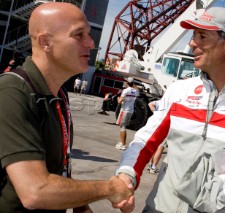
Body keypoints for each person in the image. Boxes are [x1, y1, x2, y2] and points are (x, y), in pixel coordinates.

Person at [113, 6, 225, 213]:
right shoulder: (179, 91)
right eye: (193, 35)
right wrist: (127, 175)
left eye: (202, 36)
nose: (192, 43)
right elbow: (145, 141)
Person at [0, 3, 132, 212]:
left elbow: (58, 168)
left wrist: (81, 204)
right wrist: (108, 188)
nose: (91, 43)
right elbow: (35, 191)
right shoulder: (12, 91)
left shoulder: (59, 95)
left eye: (89, 34)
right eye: (79, 35)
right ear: (45, 42)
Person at [115, 77, 138, 150]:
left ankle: (123, 144)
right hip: (131, 111)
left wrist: (118, 99)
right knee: (123, 126)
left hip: (124, 110)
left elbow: (119, 101)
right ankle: (121, 142)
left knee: (122, 127)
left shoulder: (125, 91)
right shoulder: (135, 91)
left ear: (127, 83)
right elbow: (136, 90)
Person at [147, 100, 167, 174]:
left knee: (156, 146)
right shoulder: (171, 102)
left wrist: (155, 113)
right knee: (160, 147)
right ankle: (153, 167)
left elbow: (150, 104)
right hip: (165, 126)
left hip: (156, 125)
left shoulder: (161, 101)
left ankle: (150, 165)